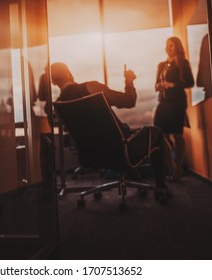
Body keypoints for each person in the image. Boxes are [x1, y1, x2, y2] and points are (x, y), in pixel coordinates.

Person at [50, 62, 168, 193]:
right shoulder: (91, 87)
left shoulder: (60, 106)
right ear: (68, 73)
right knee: (156, 132)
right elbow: (129, 101)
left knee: (118, 141)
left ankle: (137, 182)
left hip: (91, 157)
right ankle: (160, 187)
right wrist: (129, 81)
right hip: (123, 151)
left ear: (53, 82)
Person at [154, 37, 194, 181]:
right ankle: (170, 165)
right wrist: (159, 86)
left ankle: (178, 169)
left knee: (177, 134)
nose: (168, 48)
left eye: (171, 46)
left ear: (177, 47)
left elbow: (190, 82)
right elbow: (156, 84)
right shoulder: (162, 65)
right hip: (164, 102)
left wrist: (172, 85)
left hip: (177, 102)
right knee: (159, 134)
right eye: (167, 46)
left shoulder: (183, 63)